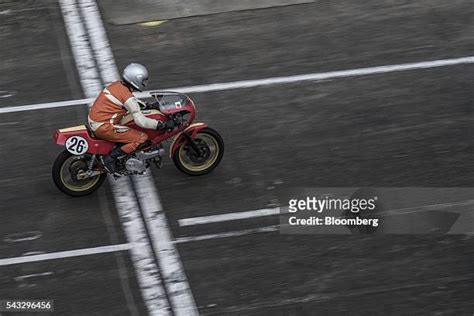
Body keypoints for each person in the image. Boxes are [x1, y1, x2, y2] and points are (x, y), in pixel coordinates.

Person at [87, 63, 173, 174]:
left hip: (98, 120)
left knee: (131, 123)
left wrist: (149, 105)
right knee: (141, 137)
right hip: (104, 126)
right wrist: (161, 125)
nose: (144, 83)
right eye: (143, 80)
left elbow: (130, 103)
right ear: (136, 79)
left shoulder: (118, 85)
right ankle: (110, 159)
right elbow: (141, 120)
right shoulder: (127, 96)